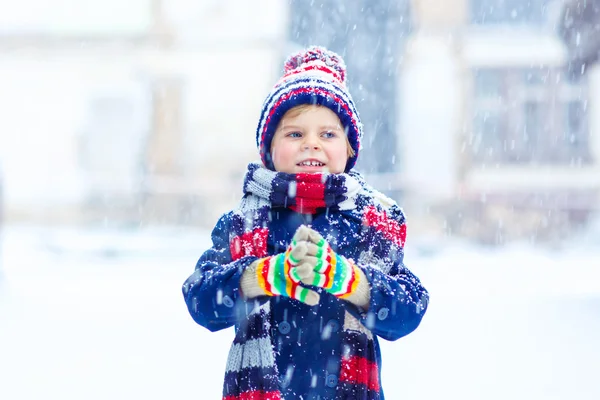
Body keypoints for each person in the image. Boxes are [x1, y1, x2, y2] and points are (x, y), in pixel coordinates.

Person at [182, 46, 429, 400]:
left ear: (349, 149)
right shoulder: (244, 222)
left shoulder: (371, 224)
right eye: (295, 134)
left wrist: (351, 281)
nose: (311, 144)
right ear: (268, 150)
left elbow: (408, 310)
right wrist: (258, 277)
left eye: (328, 135)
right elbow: (200, 299)